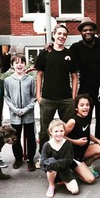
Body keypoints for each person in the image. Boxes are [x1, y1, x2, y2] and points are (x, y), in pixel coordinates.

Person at [34, 24, 78, 159]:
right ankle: (44, 157)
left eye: (64, 35)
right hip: (48, 98)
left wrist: (73, 96)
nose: (62, 37)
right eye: (59, 34)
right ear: (53, 35)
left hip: (66, 99)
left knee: (68, 128)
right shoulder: (45, 53)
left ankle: (67, 155)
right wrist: (38, 95)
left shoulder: (70, 54)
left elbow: (74, 76)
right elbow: (39, 75)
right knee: (44, 130)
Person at [65, 94, 100, 182]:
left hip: (84, 150)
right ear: (76, 108)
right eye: (82, 105)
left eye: (87, 105)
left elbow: (87, 133)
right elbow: (60, 137)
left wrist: (99, 141)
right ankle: (75, 168)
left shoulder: (86, 117)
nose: (85, 107)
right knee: (91, 180)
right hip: (74, 155)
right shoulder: (72, 121)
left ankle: (85, 164)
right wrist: (75, 142)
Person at [4, 54, 37, 171]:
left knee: (31, 138)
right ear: (12, 65)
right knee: (15, 138)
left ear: (25, 64)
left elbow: (34, 97)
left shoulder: (30, 79)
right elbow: (7, 98)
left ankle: (30, 159)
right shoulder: (8, 80)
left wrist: (26, 109)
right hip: (15, 116)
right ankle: (18, 158)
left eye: (22, 62)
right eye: (16, 62)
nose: (19, 64)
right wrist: (16, 110)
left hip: (28, 115)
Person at [40, 119, 79, 198]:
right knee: (50, 165)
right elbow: (43, 162)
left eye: (61, 131)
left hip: (65, 170)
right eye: (56, 131)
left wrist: (54, 163)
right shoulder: (47, 145)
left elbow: (69, 160)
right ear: (50, 132)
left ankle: (63, 180)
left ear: (64, 131)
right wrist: (52, 164)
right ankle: (51, 185)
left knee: (75, 190)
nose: (59, 133)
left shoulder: (67, 143)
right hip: (52, 171)